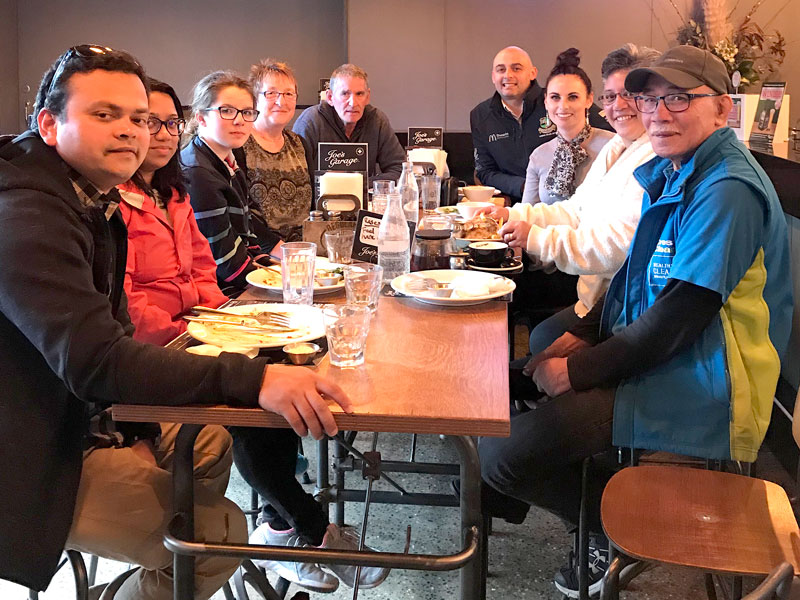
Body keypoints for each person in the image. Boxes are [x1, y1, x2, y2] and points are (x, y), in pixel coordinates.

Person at [0, 45, 351, 599]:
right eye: (104, 114)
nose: (131, 132)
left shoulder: (92, 200)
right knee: (220, 536)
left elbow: (107, 337)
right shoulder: (25, 213)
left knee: (208, 440)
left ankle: (163, 573)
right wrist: (256, 378)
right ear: (49, 124)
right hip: (31, 453)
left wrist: (134, 430)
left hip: (78, 419)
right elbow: (96, 359)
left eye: (139, 118)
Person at [479, 45, 793, 598]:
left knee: (506, 454)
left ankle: (610, 531)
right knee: (504, 380)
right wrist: (585, 332)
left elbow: (677, 318)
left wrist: (581, 372)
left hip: (710, 383)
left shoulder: (726, 189)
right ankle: (595, 506)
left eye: (678, 97)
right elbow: (636, 275)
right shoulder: (679, 168)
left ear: (722, 109)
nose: (656, 114)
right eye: (649, 99)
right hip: (672, 360)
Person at [120, 77, 390, 594]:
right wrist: (200, 329)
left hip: (201, 329)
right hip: (154, 355)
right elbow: (126, 303)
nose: (156, 134)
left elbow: (202, 266)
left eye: (165, 122)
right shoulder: (123, 199)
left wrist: (219, 319)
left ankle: (281, 527)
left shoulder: (171, 190)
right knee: (256, 408)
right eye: (144, 121)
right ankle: (312, 531)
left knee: (284, 371)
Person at [488, 44, 659, 357]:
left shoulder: (652, 155)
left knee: (538, 336)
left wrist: (534, 236)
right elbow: (576, 209)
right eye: (612, 96)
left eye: (630, 94)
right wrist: (511, 215)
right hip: (588, 290)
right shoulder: (618, 147)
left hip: (619, 306)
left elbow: (619, 247)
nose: (619, 105)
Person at [181, 71, 282, 291]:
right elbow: (226, 263)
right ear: (200, 117)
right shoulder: (198, 173)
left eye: (247, 112)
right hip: (220, 293)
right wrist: (278, 282)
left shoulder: (229, 157)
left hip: (236, 280)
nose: (239, 120)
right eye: (226, 111)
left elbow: (246, 237)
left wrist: (278, 267)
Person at [470, 46, 609, 204]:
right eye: (501, 69)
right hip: (526, 205)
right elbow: (485, 171)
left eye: (516, 68)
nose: (508, 75)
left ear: (532, 73)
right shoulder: (481, 116)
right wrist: (526, 187)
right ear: (493, 76)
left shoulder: (610, 147)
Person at [520, 48, 613, 205]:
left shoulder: (613, 147)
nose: (563, 106)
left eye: (573, 97)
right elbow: (527, 215)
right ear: (546, 102)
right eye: (555, 97)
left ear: (589, 99)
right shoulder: (539, 156)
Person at [292, 63, 405, 185]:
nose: (353, 103)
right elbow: (296, 177)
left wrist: (358, 185)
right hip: (320, 202)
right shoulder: (310, 122)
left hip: (364, 201)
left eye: (359, 94)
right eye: (345, 93)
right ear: (330, 97)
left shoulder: (377, 121)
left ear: (367, 97)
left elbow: (400, 170)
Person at [244, 59, 312, 242]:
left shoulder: (300, 145)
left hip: (305, 251)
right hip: (259, 254)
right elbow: (239, 212)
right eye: (272, 93)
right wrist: (276, 250)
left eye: (289, 93)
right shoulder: (240, 145)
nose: (281, 101)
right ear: (254, 98)